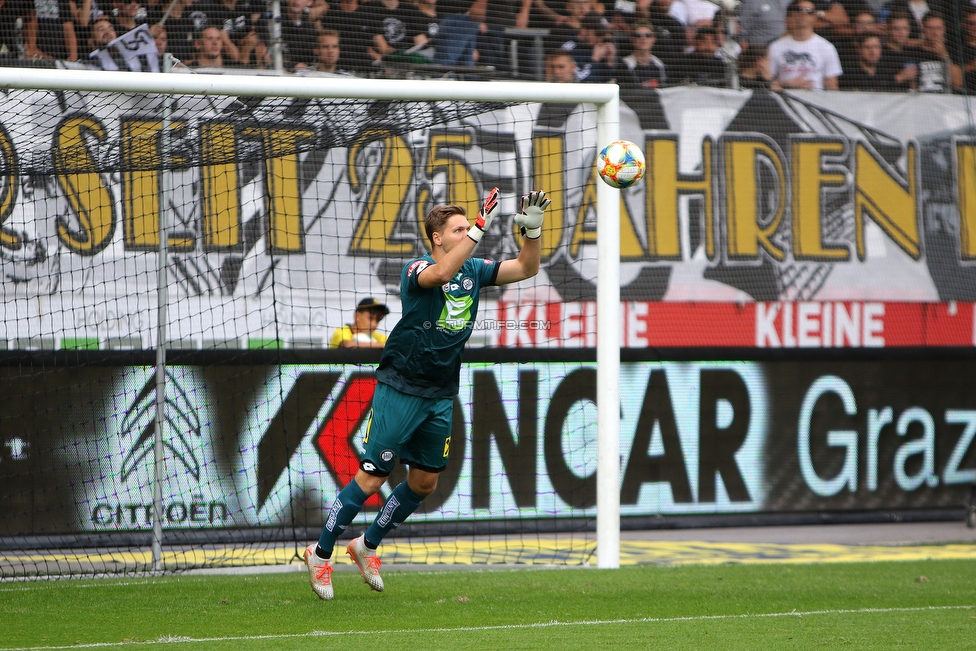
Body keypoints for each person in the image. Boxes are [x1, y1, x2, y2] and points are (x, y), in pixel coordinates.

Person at [304, 188, 550, 600]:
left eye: (466, 226)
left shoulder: (474, 269)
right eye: (458, 228)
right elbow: (440, 275)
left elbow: (527, 267)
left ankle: (365, 546)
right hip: (400, 387)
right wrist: (481, 224)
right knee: (373, 476)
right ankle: (320, 553)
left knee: (424, 483)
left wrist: (534, 229)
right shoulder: (417, 269)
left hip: (439, 392)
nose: (467, 232)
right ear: (438, 238)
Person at [767, 0, 842, 90]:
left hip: (815, 100)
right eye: (799, 10)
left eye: (809, 11)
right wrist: (787, 84)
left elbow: (832, 86)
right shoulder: (775, 47)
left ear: (815, 17)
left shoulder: (827, 47)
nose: (804, 14)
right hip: (784, 99)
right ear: (791, 15)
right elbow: (769, 81)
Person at [904, 11, 961, 93]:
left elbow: (957, 83)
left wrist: (944, 56)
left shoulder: (952, 50)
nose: (935, 33)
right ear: (923, 29)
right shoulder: (912, 51)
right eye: (930, 28)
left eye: (938, 28)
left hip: (945, 100)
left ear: (944, 30)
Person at [615, 20, 666, 89]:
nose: (643, 38)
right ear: (632, 39)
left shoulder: (659, 65)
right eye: (638, 35)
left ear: (653, 39)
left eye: (648, 35)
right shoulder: (624, 64)